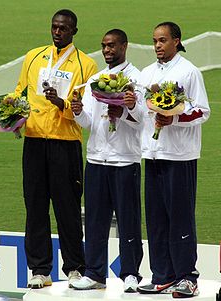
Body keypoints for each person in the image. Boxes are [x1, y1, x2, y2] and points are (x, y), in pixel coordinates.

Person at [14, 9, 97, 289]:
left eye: (63, 28)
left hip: (66, 143)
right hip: (35, 140)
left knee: (68, 207)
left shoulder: (86, 65)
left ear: (74, 30)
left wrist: (62, 104)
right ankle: (40, 270)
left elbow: (85, 111)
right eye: (54, 27)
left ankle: (74, 267)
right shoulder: (33, 57)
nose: (57, 31)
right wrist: (12, 115)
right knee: (35, 206)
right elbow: (19, 93)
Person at [127, 22, 210, 298]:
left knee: (180, 217)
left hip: (180, 156)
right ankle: (163, 275)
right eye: (154, 41)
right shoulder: (147, 73)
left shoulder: (189, 72)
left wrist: (173, 117)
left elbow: (202, 111)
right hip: (152, 154)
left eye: (163, 40)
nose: (158, 46)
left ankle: (187, 277)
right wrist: (128, 106)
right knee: (156, 218)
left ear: (177, 41)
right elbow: (140, 113)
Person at [70, 29, 143, 293]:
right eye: (103, 46)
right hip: (97, 159)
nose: (107, 50)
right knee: (95, 220)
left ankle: (131, 273)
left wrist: (125, 111)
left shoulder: (136, 79)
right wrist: (78, 113)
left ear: (125, 45)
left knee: (128, 220)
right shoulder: (96, 79)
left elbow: (143, 121)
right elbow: (89, 121)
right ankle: (94, 273)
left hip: (124, 160)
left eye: (112, 45)